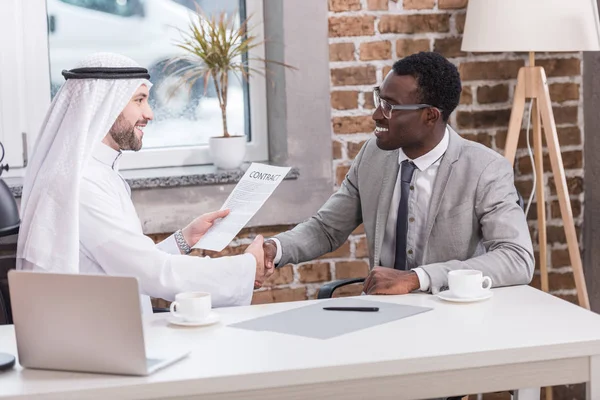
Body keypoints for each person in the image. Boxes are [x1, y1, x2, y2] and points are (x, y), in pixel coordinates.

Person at [16, 53, 270, 314]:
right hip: (97, 340)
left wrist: (184, 239)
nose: (149, 114)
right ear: (106, 104)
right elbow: (151, 273)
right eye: (139, 100)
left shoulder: (99, 172)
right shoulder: (82, 185)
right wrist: (247, 266)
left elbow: (125, 264)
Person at [263, 51, 534, 296]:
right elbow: (327, 228)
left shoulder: (484, 169)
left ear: (430, 116)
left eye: (390, 106)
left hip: (451, 313)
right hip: (384, 311)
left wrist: (417, 279)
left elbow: (517, 257)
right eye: (379, 99)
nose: (376, 114)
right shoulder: (373, 155)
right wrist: (275, 249)